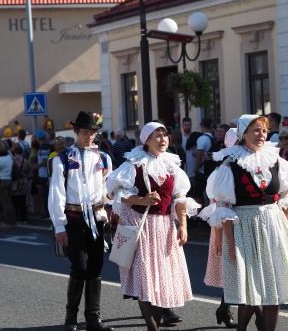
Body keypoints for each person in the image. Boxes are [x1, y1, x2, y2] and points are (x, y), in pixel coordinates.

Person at [204, 114, 288, 331]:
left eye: (263, 130)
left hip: (274, 225)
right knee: (250, 292)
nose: (261, 134)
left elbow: (285, 200)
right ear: (243, 134)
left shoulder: (277, 162)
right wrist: (230, 245)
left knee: (273, 290)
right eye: (255, 130)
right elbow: (225, 208)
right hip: (244, 227)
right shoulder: (230, 165)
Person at [106, 122, 199, 331]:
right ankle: (152, 327)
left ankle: (155, 322)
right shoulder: (134, 164)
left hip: (165, 226)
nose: (162, 139)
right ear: (146, 140)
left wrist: (183, 225)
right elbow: (115, 193)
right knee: (146, 278)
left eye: (164, 135)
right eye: (157, 136)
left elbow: (179, 198)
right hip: (142, 226)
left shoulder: (171, 166)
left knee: (161, 279)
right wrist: (142, 199)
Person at [48, 111, 114, 331]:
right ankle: (71, 317)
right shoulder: (63, 158)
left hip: (96, 217)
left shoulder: (104, 158)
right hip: (74, 218)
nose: (90, 136)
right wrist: (59, 225)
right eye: (85, 132)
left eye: (93, 132)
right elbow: (57, 192)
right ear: (76, 132)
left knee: (96, 266)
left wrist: (111, 206)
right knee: (79, 266)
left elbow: (108, 188)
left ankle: (93, 318)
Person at [198, 127, 238, 329]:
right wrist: (221, 233)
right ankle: (227, 307)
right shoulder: (224, 169)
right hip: (226, 222)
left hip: (244, 220)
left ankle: (225, 307)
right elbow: (219, 203)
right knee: (230, 267)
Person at [0, 140, 16, 228]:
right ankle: (12, 221)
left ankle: (8, 222)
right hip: (9, 179)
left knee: (4, 203)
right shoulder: (9, 157)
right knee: (9, 202)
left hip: (1, 181)